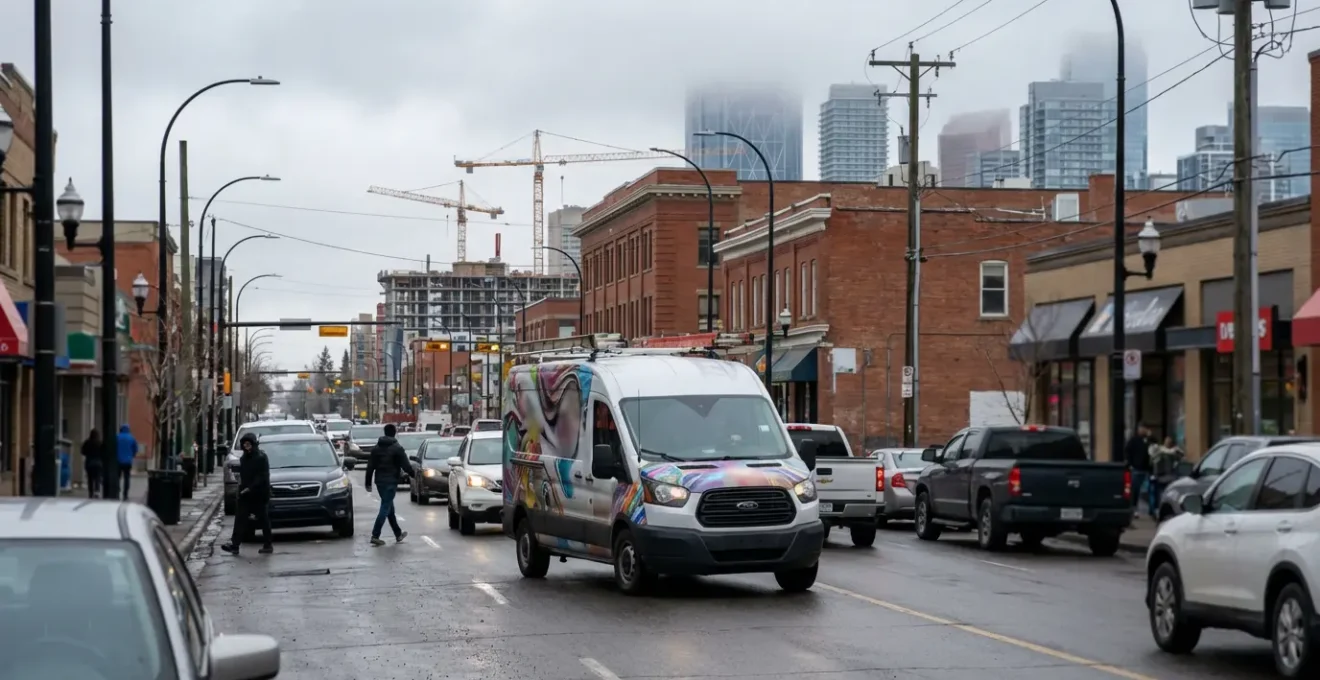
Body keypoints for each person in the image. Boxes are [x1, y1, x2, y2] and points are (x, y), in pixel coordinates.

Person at [220, 432, 274, 555]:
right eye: (245, 444)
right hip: (245, 494)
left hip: (259, 494)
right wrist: (242, 489)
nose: (247, 446)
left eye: (249, 444)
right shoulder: (243, 459)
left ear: (254, 444)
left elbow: (263, 476)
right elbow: (243, 476)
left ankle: (268, 544)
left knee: (263, 519)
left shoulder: (261, 457)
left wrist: (250, 488)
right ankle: (235, 545)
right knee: (240, 518)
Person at [365, 423, 413, 546]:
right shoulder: (397, 448)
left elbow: (370, 466)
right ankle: (375, 535)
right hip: (391, 481)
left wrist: (368, 482)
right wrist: (414, 474)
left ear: (385, 432)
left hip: (379, 482)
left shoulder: (376, 448)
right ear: (394, 433)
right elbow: (406, 465)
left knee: (389, 508)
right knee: (385, 507)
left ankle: (398, 534)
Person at [1148, 436, 1185, 520]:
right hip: (1160, 477)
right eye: (1166, 441)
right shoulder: (1159, 450)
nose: (1167, 442)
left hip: (1169, 477)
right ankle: (1156, 511)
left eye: (1169, 441)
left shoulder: (1174, 451)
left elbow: (1181, 456)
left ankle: (1160, 511)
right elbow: (1152, 458)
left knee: (1164, 495)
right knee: (1158, 495)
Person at [1123, 423, 1152, 518]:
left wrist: (1150, 438)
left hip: (1147, 469)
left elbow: (1154, 449)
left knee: (1147, 491)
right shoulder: (1134, 440)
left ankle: (1149, 510)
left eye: (1144, 428)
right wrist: (1130, 463)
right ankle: (1134, 509)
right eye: (1141, 428)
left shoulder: (1149, 440)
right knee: (1135, 490)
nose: (1143, 430)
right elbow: (1127, 451)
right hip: (1136, 469)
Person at [115, 425, 138, 501]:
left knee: (117, 477)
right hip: (128, 461)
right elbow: (135, 449)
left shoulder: (117, 437)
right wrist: (132, 455)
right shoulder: (131, 438)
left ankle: (117, 491)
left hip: (118, 461)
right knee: (127, 478)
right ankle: (125, 494)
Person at [81, 429, 102, 499]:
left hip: (89, 462)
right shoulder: (100, 443)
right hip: (98, 463)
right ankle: (97, 491)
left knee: (90, 478)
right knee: (97, 478)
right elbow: (103, 452)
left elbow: (83, 451)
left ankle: (91, 492)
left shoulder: (87, 442)